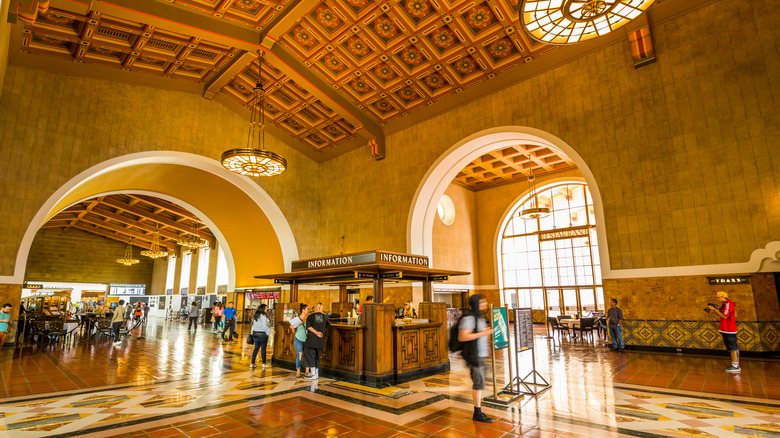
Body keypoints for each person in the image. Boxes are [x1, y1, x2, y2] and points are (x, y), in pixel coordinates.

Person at [458, 294, 494, 423]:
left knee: (480, 383)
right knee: (478, 383)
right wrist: (483, 333)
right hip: (474, 356)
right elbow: (462, 337)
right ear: (476, 303)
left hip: (481, 355)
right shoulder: (469, 318)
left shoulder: (479, 317)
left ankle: (478, 410)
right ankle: (477, 413)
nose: (485, 303)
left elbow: (480, 335)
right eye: (482, 302)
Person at [707, 291, 740, 373]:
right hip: (726, 329)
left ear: (723, 297)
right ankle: (736, 364)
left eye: (718, 297)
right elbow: (722, 313)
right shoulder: (724, 304)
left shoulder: (728, 304)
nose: (717, 299)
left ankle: (735, 366)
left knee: (732, 348)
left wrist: (714, 310)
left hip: (729, 329)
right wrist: (715, 309)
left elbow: (725, 316)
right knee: (732, 347)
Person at [303, 302, 329, 380]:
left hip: (311, 339)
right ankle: (316, 374)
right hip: (320, 340)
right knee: (317, 356)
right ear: (320, 308)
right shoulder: (324, 317)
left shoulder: (310, 317)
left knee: (310, 356)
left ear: (314, 309)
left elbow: (308, 327)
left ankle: (313, 374)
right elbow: (329, 324)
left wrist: (316, 332)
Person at [289, 303, 309, 378]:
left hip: (307, 340)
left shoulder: (309, 319)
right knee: (299, 355)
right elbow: (293, 332)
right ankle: (298, 372)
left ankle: (307, 371)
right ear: (303, 310)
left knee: (307, 356)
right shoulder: (297, 319)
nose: (308, 310)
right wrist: (292, 328)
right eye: (307, 309)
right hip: (299, 340)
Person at [250, 304, 271, 369]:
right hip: (262, 334)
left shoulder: (256, 315)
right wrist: (270, 331)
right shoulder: (263, 315)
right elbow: (264, 326)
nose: (266, 309)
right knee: (263, 349)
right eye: (266, 308)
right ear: (263, 309)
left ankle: (252, 363)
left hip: (255, 333)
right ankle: (264, 364)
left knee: (256, 348)